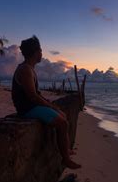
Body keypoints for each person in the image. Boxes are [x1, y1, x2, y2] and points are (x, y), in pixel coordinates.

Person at [11, 35, 81, 169]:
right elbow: (32, 96)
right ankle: (65, 159)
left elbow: (35, 95)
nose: (42, 53)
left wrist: (51, 105)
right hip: (27, 109)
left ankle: (66, 150)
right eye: (41, 50)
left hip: (31, 106)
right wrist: (51, 106)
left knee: (63, 116)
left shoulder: (29, 68)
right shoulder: (25, 70)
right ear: (35, 52)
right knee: (63, 123)